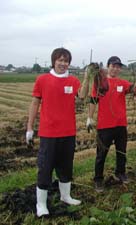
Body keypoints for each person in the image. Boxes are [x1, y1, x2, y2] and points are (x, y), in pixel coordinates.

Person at [26, 47, 90, 217]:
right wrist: (29, 128)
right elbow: (34, 104)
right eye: (60, 60)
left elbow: (82, 95)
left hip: (68, 132)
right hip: (49, 133)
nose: (63, 63)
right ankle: (41, 204)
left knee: (66, 166)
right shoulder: (43, 79)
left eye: (66, 61)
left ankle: (66, 196)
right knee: (45, 168)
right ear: (54, 61)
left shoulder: (73, 81)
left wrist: (86, 78)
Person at [86, 56, 136, 192]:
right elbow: (93, 100)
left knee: (121, 151)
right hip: (105, 125)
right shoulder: (101, 82)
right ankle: (98, 179)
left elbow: (134, 90)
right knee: (101, 154)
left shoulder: (122, 83)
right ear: (108, 66)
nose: (116, 69)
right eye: (113, 66)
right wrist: (89, 117)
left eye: (118, 67)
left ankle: (120, 172)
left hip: (120, 124)